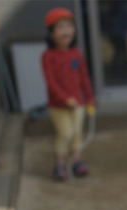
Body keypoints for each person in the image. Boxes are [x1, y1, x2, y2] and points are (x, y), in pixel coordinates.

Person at [41, 7, 95, 181]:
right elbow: (51, 82)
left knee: (77, 133)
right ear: (52, 33)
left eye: (69, 26)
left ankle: (77, 162)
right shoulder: (48, 56)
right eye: (60, 27)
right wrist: (65, 98)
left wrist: (89, 98)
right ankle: (59, 164)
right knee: (65, 133)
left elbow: (83, 77)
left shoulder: (76, 53)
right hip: (58, 106)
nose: (66, 31)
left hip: (78, 103)